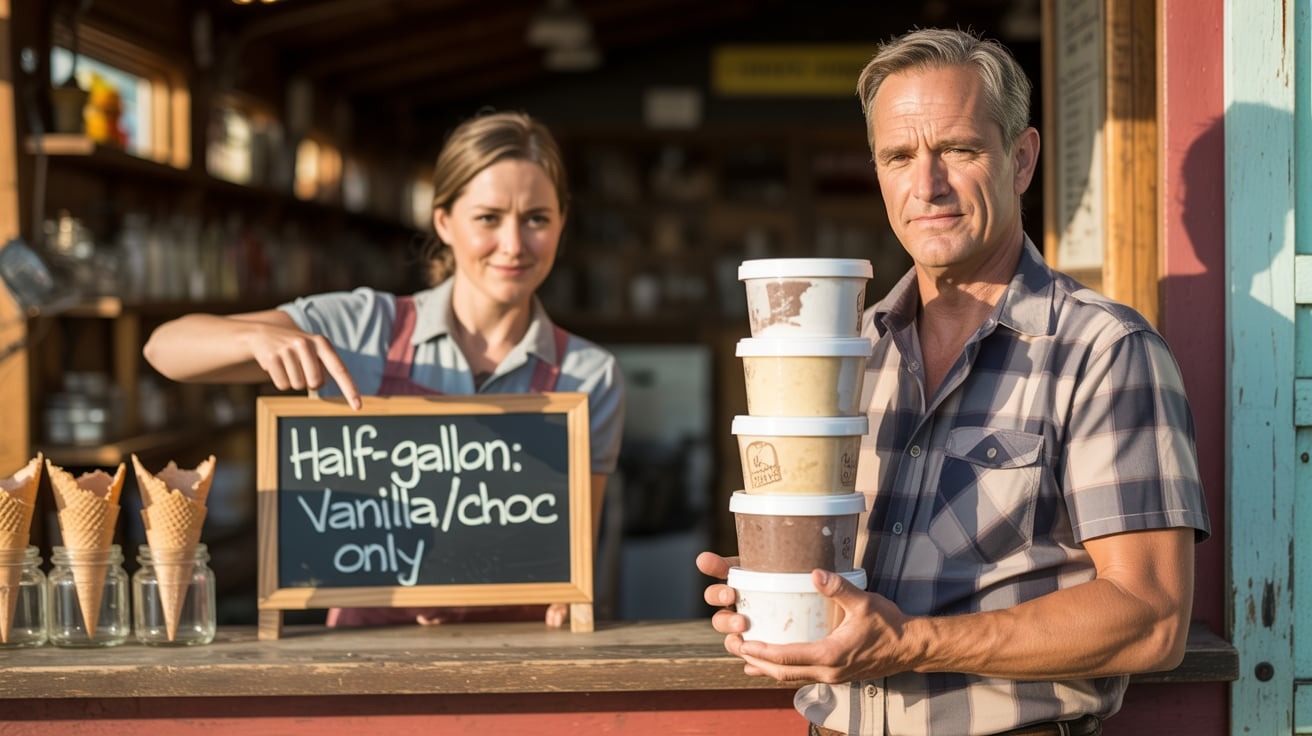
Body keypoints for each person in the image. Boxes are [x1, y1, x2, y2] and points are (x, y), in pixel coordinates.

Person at [697, 28, 1209, 736]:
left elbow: (1150, 616)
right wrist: (781, 584)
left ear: (1022, 159)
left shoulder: (1103, 351)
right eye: (899, 156)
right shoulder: (849, 355)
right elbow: (852, 588)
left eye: (959, 150)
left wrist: (911, 643)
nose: (926, 184)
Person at [144, 111, 625, 629]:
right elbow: (164, 349)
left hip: (515, 664)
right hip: (364, 660)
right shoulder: (360, 328)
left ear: (561, 222)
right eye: (488, 217)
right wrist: (255, 336)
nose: (513, 244)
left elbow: (572, 561)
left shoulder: (588, 375)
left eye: (536, 218)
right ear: (444, 221)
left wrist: (568, 600)